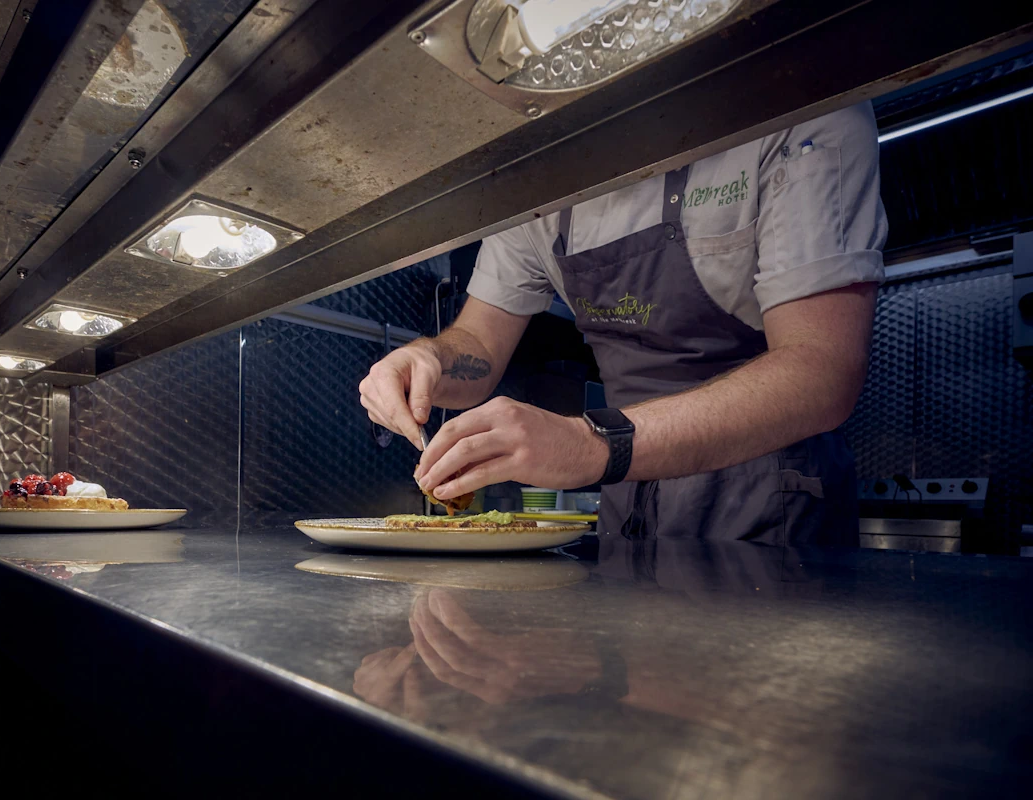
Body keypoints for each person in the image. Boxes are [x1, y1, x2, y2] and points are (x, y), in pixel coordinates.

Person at [359, 102, 887, 545]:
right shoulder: (533, 188)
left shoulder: (799, 110)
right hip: (628, 496)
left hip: (772, 501)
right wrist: (427, 358)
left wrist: (589, 443)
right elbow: (478, 341)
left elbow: (822, 369)